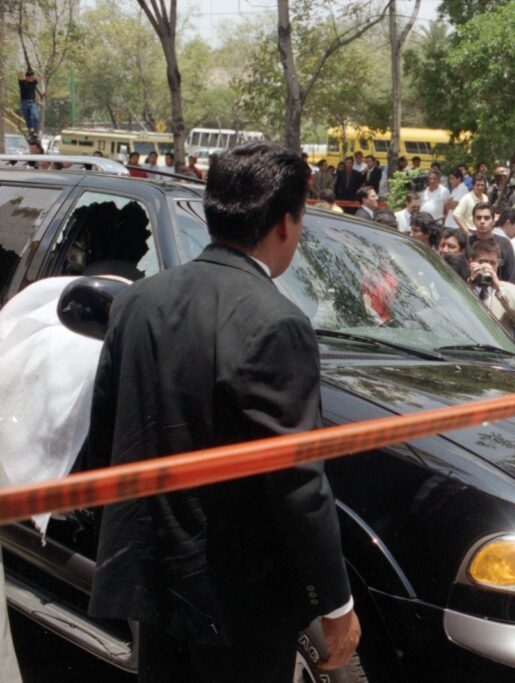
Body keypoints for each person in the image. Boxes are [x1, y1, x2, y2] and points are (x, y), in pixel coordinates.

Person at [86, 143, 360, 681]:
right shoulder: (277, 321)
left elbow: (106, 429)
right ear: (286, 223)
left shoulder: (141, 300)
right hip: (238, 599)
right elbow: (299, 482)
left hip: (155, 574)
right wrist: (336, 604)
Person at [467, 239, 515, 336]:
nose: (487, 267)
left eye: (492, 263)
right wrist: (470, 285)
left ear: (498, 264)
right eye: (483, 261)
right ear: (472, 262)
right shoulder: (460, 285)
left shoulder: (510, 290)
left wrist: (499, 288)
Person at [466, 203, 515, 283]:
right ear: (473, 221)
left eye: (487, 218)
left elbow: (511, 277)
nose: (482, 221)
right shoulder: (466, 243)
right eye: (478, 218)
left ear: (493, 221)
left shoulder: (505, 244)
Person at [18, 69, 39, 133]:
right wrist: (22, 72)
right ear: (27, 77)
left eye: (32, 77)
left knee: (35, 116)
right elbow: (20, 75)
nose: (31, 78)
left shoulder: (34, 82)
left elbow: (41, 77)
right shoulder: (23, 82)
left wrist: (34, 70)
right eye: (30, 77)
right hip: (24, 102)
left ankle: (35, 129)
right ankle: (30, 130)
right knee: (27, 117)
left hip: (32, 102)